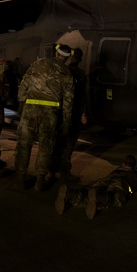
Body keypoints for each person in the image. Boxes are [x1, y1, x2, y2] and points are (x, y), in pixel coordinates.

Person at [11, 43, 75, 192]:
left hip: (30, 110)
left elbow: (24, 85)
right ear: (67, 58)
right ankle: (40, 181)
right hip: (51, 113)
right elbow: (68, 100)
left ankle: (19, 180)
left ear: (56, 53)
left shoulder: (38, 64)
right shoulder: (66, 73)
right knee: (45, 147)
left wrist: (21, 103)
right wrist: (66, 120)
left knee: (23, 145)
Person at [55, 155, 137, 219]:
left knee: (89, 194)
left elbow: (108, 178)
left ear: (123, 164)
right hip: (122, 184)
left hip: (106, 180)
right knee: (115, 198)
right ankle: (99, 198)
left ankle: (71, 194)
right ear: (134, 166)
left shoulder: (117, 170)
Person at [54, 47, 88, 183]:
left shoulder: (62, 71)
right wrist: (83, 113)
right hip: (73, 113)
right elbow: (82, 97)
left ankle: (52, 169)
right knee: (68, 144)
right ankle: (64, 172)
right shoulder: (79, 74)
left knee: (57, 142)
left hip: (59, 112)